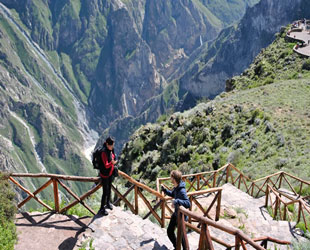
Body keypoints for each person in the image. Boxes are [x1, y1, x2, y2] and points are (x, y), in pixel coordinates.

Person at [161, 170, 190, 249]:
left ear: (174, 178)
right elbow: (173, 194)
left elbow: (188, 203)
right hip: (176, 214)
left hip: (182, 217)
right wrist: (165, 190)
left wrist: (177, 201)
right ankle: (177, 247)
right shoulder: (177, 187)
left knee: (183, 240)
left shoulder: (181, 190)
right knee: (169, 231)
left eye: (171, 177)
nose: (170, 178)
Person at [98, 136, 117, 216]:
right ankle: (102, 208)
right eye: (111, 145)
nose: (113, 147)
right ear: (107, 144)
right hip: (105, 175)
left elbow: (112, 157)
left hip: (109, 174)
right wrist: (112, 163)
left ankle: (108, 203)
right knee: (105, 192)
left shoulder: (110, 150)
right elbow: (106, 165)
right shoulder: (103, 152)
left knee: (109, 189)